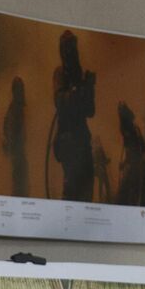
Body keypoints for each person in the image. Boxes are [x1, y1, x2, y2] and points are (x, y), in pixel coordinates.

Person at [50, 30, 96, 202]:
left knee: (87, 188)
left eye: (73, 47)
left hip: (82, 141)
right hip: (68, 142)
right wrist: (78, 90)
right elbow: (60, 101)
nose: (72, 52)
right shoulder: (60, 73)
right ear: (62, 51)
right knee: (71, 192)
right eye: (68, 48)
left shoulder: (79, 77)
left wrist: (90, 88)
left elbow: (90, 111)